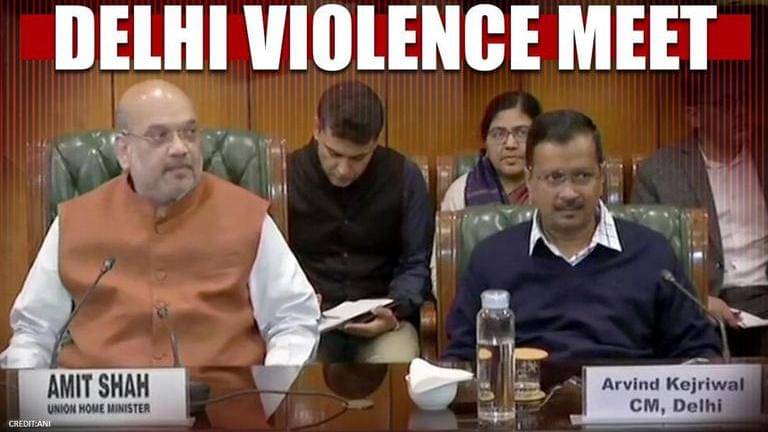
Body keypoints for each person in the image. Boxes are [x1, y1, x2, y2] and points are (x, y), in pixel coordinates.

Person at [0, 79, 320, 368]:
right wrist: (24, 403)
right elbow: (34, 332)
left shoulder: (247, 216)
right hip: (102, 404)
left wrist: (273, 395)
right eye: (159, 136)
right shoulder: (75, 221)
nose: (180, 148)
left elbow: (292, 319)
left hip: (222, 402)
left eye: (190, 132)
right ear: (124, 151)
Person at [444, 110, 721, 362]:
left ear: (601, 177)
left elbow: (698, 351)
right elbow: (462, 358)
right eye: (554, 178)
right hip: (525, 396)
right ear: (530, 181)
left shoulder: (652, 253)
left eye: (582, 176)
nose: (569, 193)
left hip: (628, 397)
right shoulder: (491, 258)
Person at [288, 80, 433, 363]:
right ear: (317, 128)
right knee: (293, 367)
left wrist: (394, 310)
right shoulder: (287, 176)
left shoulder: (404, 177)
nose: (344, 169)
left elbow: (416, 262)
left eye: (358, 158)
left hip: (385, 319)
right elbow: (270, 266)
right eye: (334, 153)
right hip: (308, 320)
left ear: (376, 141)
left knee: (399, 362)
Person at [632, 65, 768, 355]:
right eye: (727, 103)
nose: (740, 111)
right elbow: (644, 258)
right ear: (694, 115)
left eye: (743, 100)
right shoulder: (660, 172)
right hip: (704, 303)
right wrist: (698, 298)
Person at [440, 91, 541, 211]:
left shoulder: (552, 189)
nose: (510, 144)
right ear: (485, 140)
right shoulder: (460, 192)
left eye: (522, 133)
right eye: (498, 134)